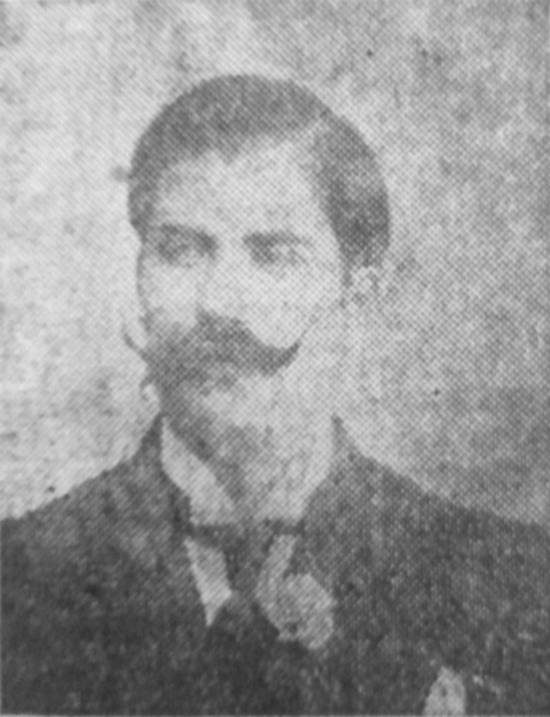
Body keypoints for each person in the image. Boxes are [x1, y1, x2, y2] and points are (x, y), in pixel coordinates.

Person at [2, 74, 549, 715]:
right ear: (139, 271)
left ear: (358, 291)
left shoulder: (507, 580)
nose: (220, 304)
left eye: (274, 256)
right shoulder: (22, 575)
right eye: (179, 250)